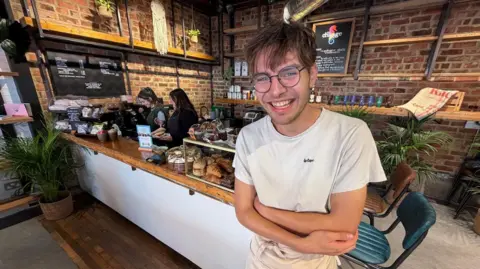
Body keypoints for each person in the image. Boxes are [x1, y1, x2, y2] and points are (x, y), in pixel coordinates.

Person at [233, 21, 387, 268]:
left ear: (312, 75)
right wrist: (300, 242)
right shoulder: (249, 137)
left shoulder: (349, 134)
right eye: (263, 78)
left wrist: (265, 210)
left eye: (289, 73)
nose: (275, 91)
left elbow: (344, 223)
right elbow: (243, 211)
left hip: (314, 262)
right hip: (261, 259)